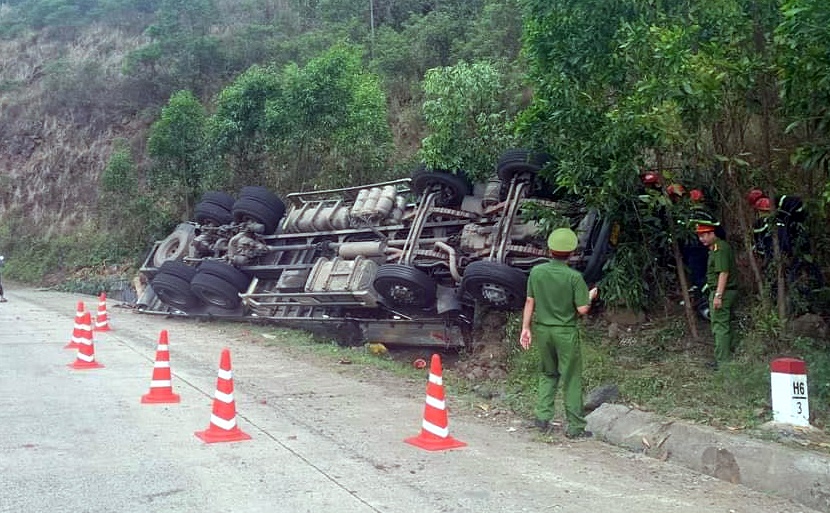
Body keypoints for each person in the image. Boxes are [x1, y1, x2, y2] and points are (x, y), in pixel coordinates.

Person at [520, 228, 598, 438]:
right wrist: (590, 296)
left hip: (542, 330)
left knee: (548, 373)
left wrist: (526, 328)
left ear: (549, 250)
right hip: (565, 332)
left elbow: (530, 301)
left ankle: (542, 418)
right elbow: (582, 309)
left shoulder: (537, 272)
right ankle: (575, 428)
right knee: (571, 378)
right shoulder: (574, 277)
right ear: (572, 253)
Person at [696, 222, 737, 368]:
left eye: (704, 235)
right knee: (723, 324)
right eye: (699, 236)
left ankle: (723, 361)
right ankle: (727, 355)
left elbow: (723, 273)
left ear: (712, 233)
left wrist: (718, 295)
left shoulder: (719, 248)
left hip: (723, 292)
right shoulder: (716, 248)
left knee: (720, 326)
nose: (701, 239)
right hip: (723, 291)